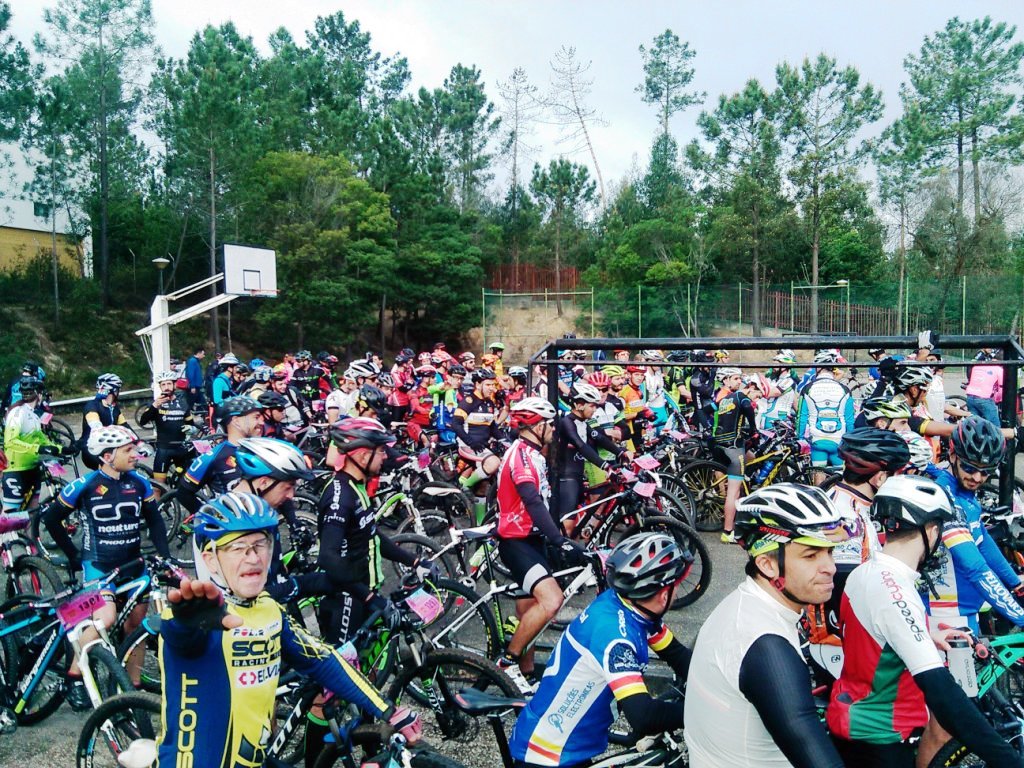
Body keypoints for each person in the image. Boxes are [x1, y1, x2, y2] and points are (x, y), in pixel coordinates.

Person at [159, 492, 421, 768]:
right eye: (237, 548)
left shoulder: (269, 609)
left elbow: (323, 661)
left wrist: (387, 710)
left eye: (260, 544)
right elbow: (180, 637)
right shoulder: (197, 616)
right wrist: (185, 621)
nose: (253, 557)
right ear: (210, 559)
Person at [827, 475, 1022, 768]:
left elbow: (874, 632)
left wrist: (927, 632)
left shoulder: (866, 572)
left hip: (856, 719)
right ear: (931, 531)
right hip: (881, 737)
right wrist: (1011, 761)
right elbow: (946, 697)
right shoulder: (895, 592)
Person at [684, 483, 846, 768]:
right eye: (811, 555)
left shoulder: (744, 605)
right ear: (767, 564)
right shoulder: (765, 644)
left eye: (830, 552)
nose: (830, 567)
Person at [508, 533, 693, 768]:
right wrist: (701, 713)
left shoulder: (630, 606)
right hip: (549, 756)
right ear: (664, 595)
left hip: (571, 746)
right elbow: (643, 716)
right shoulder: (615, 635)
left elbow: (678, 655)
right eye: (676, 587)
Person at [44, 425, 171, 706]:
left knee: (138, 626)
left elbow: (155, 521)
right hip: (99, 564)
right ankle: (74, 676)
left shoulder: (140, 483)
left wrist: (165, 556)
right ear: (106, 456)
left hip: (133, 563)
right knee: (106, 618)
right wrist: (73, 554)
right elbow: (51, 518)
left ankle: (133, 688)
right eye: (128, 450)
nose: (136, 454)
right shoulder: (85, 485)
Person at [495, 397, 586, 693]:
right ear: (535, 426)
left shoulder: (533, 453)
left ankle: (527, 672)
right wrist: (560, 541)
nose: (554, 429)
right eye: (549, 424)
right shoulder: (520, 456)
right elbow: (532, 501)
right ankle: (507, 663)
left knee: (529, 612)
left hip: (531, 538)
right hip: (516, 541)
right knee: (551, 601)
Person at [929, 416, 1024, 633]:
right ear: (952, 455)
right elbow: (975, 568)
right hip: (946, 617)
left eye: (986, 471)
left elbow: (982, 540)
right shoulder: (944, 498)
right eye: (969, 468)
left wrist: (1015, 584)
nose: (977, 478)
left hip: (965, 611)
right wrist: (1020, 617)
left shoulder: (964, 493)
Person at [177, 396, 264, 516]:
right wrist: (212, 518)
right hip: (233, 525)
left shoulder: (264, 450)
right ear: (236, 421)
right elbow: (183, 494)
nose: (262, 422)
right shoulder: (213, 457)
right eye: (256, 417)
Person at [556, 382, 628, 524]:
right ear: (579, 405)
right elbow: (581, 446)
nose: (595, 409)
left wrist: (621, 453)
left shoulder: (582, 422)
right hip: (567, 477)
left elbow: (599, 437)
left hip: (578, 473)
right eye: (592, 406)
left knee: (586, 519)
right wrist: (605, 466)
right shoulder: (567, 422)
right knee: (568, 526)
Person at [2, 375, 67, 513]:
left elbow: (42, 440)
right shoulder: (17, 413)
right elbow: (10, 442)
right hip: (16, 469)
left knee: (33, 512)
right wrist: (38, 448)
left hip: (32, 468)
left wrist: (62, 449)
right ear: (39, 394)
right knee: (11, 517)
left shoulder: (33, 415)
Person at [710, 367, 759, 543]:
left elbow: (709, 409)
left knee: (751, 457)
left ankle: (740, 514)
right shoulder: (740, 397)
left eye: (740, 379)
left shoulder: (724, 399)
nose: (740, 381)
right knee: (733, 492)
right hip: (733, 447)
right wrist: (754, 430)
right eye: (736, 378)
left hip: (719, 444)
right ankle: (728, 532)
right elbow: (748, 409)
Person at [795, 350, 854, 473]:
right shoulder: (844, 389)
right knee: (840, 475)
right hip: (839, 440)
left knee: (819, 473)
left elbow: (801, 417)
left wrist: (800, 438)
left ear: (818, 368)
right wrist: (851, 442)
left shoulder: (808, 388)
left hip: (817, 440)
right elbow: (849, 420)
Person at [451, 368, 504, 494]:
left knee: (486, 483)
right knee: (494, 463)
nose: (492, 388)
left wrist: (505, 441)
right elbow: (456, 424)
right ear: (478, 384)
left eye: (493, 385)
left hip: (482, 446)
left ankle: (463, 489)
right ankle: (464, 488)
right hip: (468, 445)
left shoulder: (489, 403)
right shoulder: (468, 402)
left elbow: (492, 427)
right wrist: (471, 443)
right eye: (488, 385)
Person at [138, 370, 194, 491]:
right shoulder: (156, 404)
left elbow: (191, 423)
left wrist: (191, 429)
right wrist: (154, 406)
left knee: (187, 485)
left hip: (180, 448)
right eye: (163, 384)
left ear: (174, 385)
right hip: (163, 449)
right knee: (158, 486)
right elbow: (142, 421)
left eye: (169, 384)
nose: (166, 387)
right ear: (160, 387)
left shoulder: (183, 403)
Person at [80, 372, 129, 470]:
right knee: (113, 470)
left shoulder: (114, 408)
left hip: (107, 449)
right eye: (118, 389)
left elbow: (125, 426)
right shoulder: (92, 406)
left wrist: (139, 443)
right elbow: (96, 427)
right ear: (114, 391)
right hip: (91, 451)